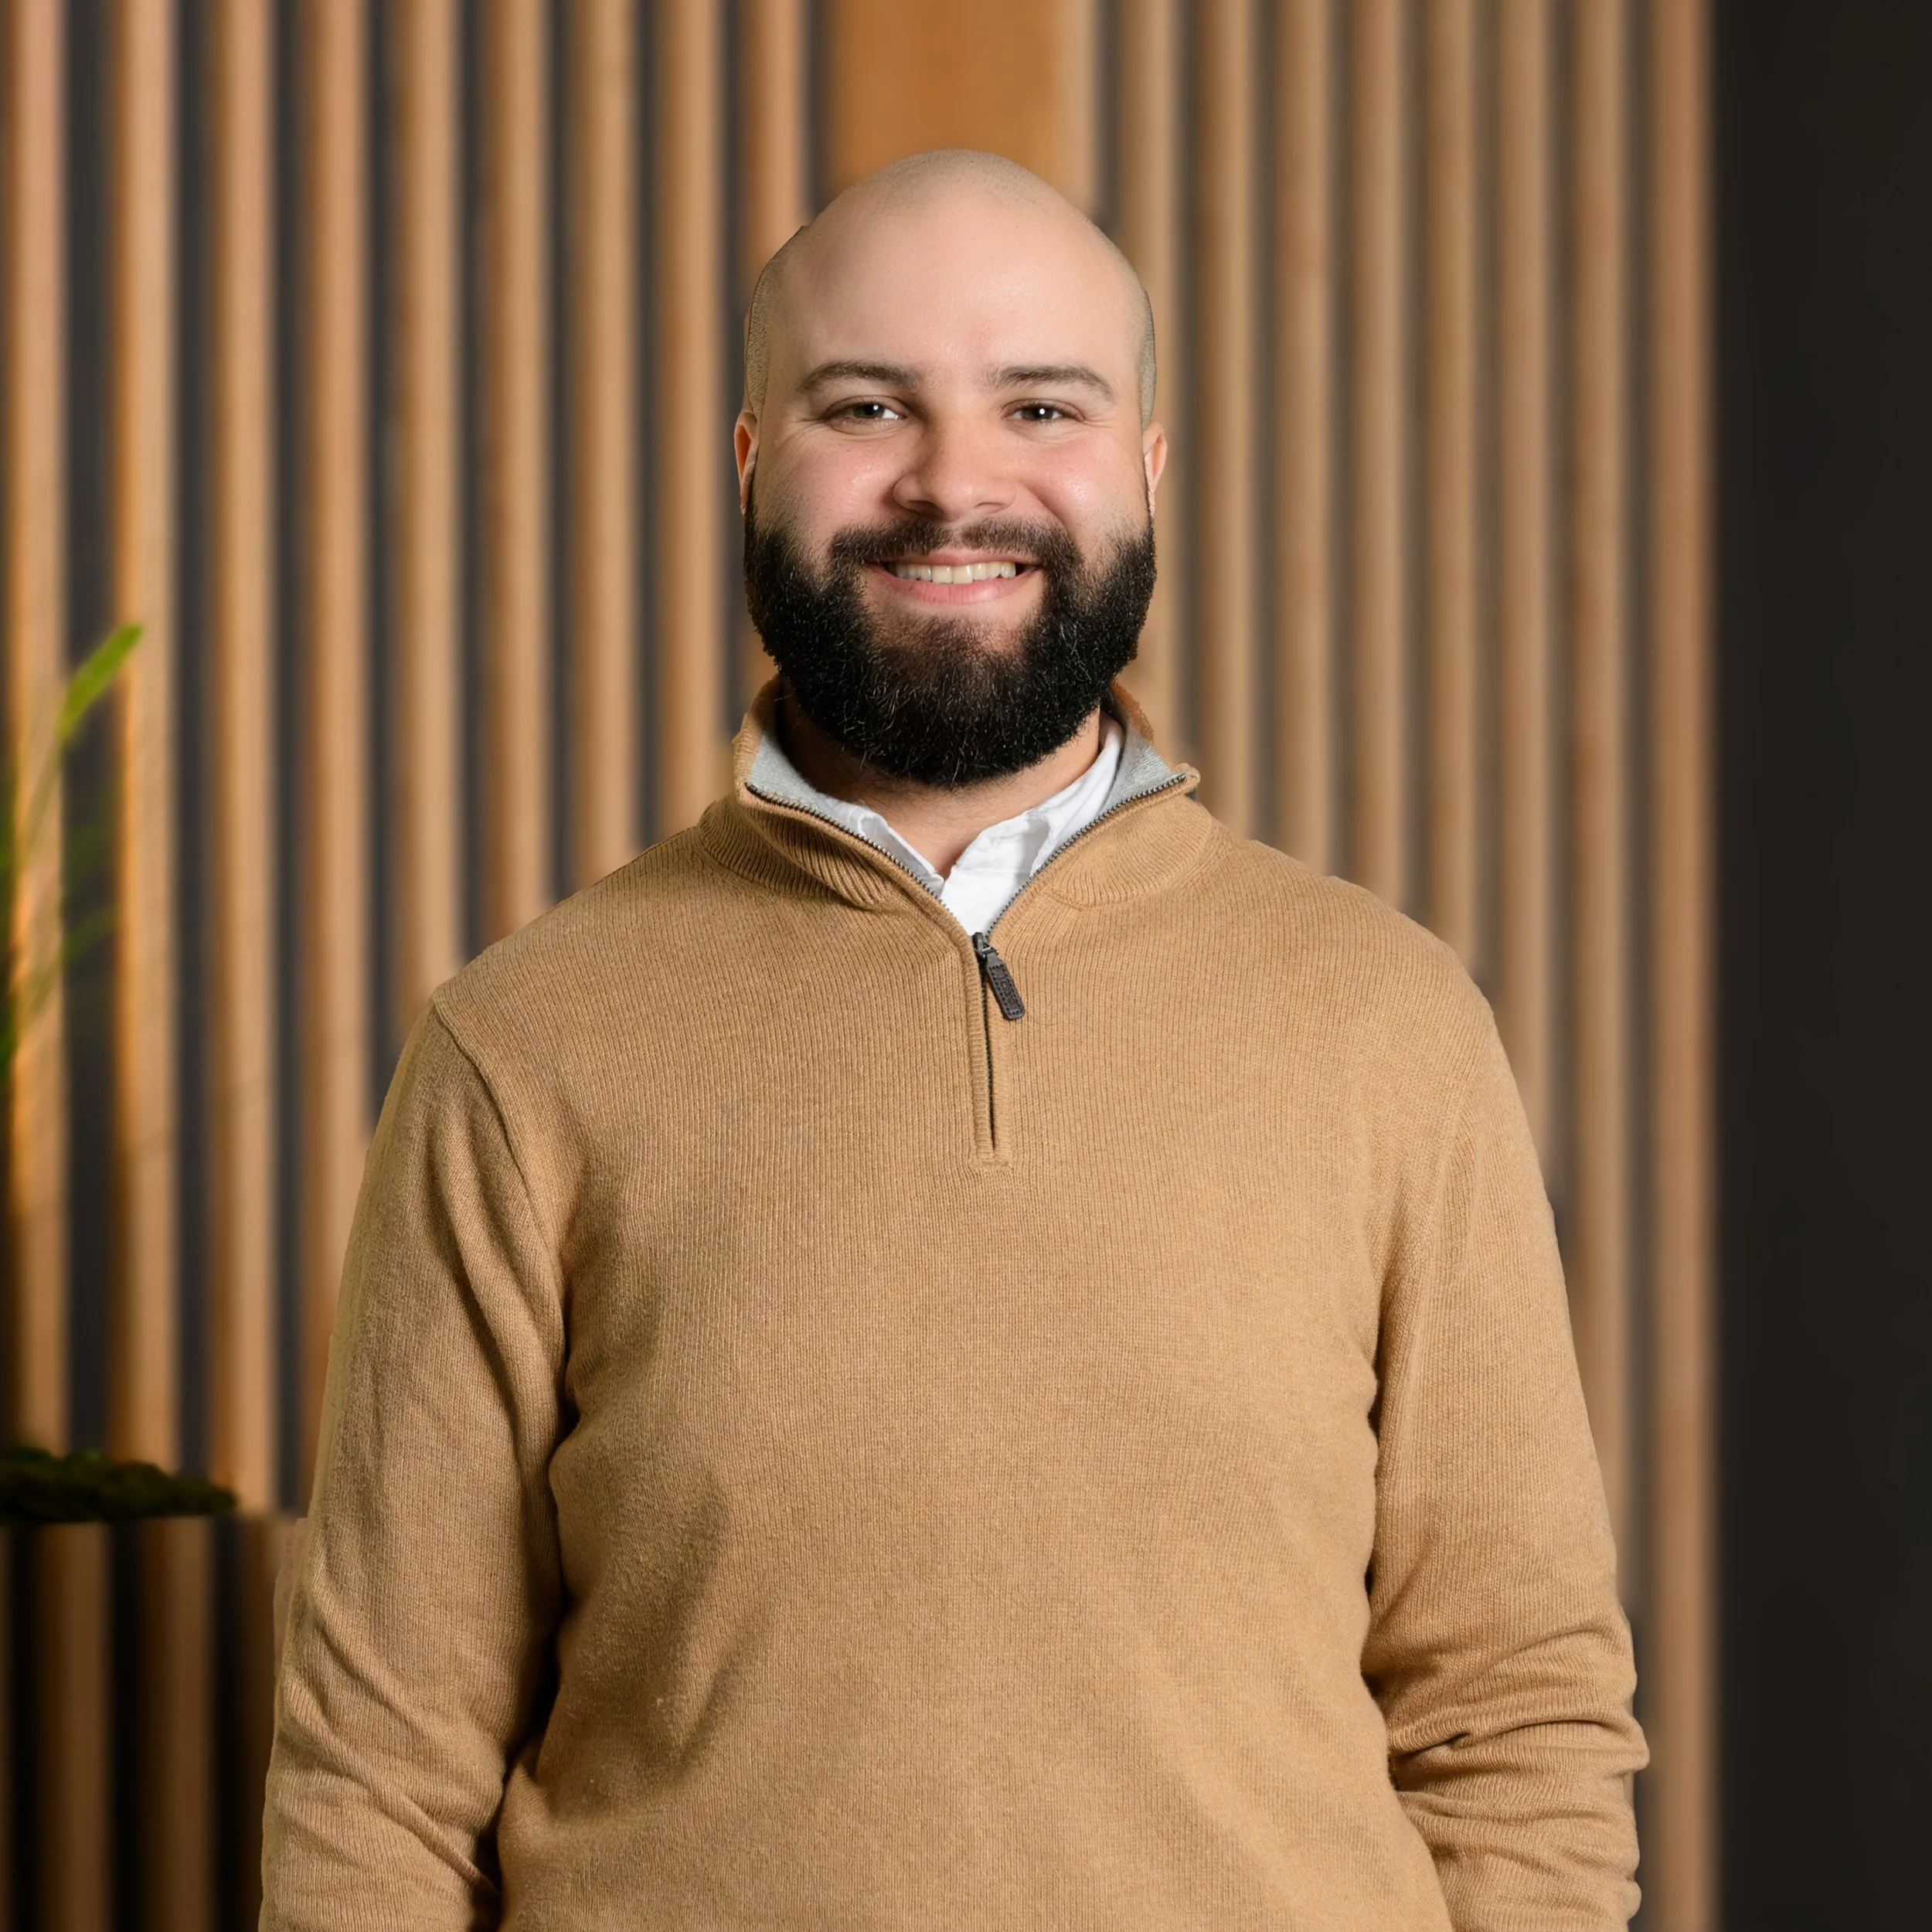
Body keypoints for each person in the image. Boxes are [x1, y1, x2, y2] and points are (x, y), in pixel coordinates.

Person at [262, 149, 1645, 1930]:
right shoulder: (523, 1045)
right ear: (754, 461)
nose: (954, 482)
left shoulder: (1387, 1023)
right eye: (866, 403)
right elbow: (378, 1779)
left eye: (1038, 402)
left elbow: (1514, 1715)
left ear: (1144, 464)